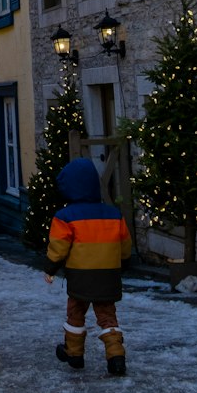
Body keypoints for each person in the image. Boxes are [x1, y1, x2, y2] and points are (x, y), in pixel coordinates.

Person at [43, 156, 132, 376]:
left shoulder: (65, 217)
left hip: (80, 276)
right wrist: (123, 264)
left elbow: (59, 248)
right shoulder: (113, 214)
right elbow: (125, 246)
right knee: (107, 315)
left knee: (76, 311)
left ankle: (74, 353)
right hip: (107, 276)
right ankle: (116, 354)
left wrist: (50, 268)